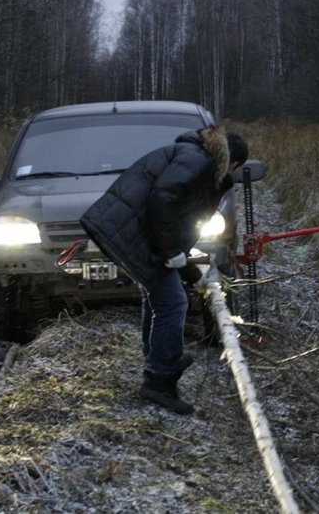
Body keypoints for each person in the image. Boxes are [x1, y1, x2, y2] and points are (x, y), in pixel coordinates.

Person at [81, 127, 248, 415]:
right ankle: (159, 381)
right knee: (172, 303)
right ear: (231, 162)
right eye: (234, 169)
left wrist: (188, 272)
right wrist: (171, 253)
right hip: (131, 232)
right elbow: (163, 199)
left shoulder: (197, 157)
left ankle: (158, 359)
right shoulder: (198, 161)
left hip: (137, 232)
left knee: (159, 297)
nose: (230, 174)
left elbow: (179, 220)